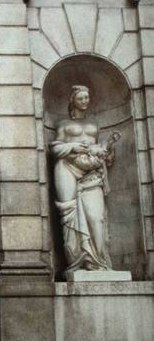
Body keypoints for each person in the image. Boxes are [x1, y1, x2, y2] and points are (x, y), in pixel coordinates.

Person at [50, 85, 120, 273]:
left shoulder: (95, 123)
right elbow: (55, 148)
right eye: (81, 98)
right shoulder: (64, 124)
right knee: (69, 212)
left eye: (87, 98)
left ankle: (100, 263)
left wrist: (109, 146)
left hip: (91, 170)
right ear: (73, 100)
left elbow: (103, 152)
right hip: (67, 167)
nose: (85, 101)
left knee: (97, 218)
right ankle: (77, 261)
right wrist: (73, 146)